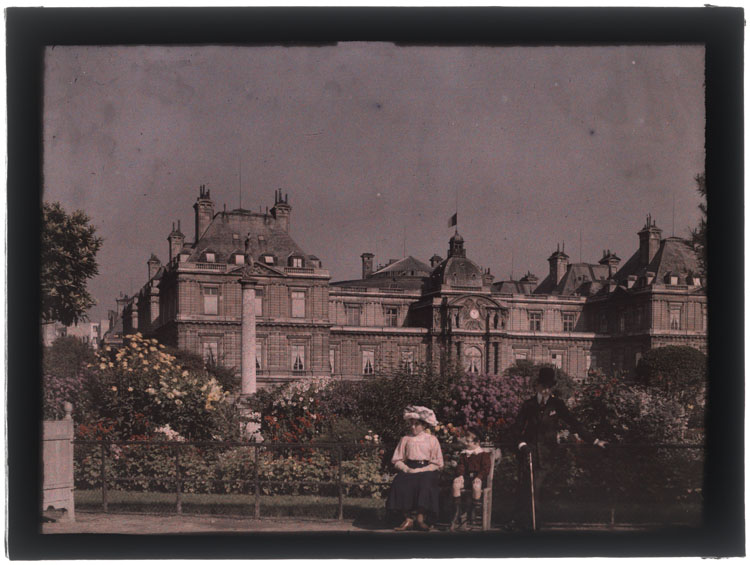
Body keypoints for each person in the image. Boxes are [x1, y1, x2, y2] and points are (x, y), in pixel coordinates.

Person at [512, 367, 606, 530]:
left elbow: (573, 423)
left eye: (550, 386)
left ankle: (531, 525)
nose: (547, 390)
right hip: (529, 454)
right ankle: (533, 527)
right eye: (544, 386)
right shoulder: (528, 405)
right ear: (537, 386)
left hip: (548, 456)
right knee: (531, 490)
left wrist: (594, 440)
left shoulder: (557, 404)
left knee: (541, 491)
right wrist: (521, 444)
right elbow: (516, 428)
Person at [386, 405, 444, 531]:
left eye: (416, 424)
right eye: (411, 424)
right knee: (399, 482)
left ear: (424, 425)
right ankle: (408, 519)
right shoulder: (406, 439)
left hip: (427, 468)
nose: (413, 427)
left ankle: (420, 518)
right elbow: (397, 459)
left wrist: (421, 470)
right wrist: (406, 469)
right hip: (409, 467)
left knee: (425, 483)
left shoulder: (432, 440)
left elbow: (437, 462)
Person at [449, 425, 493, 531]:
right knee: (455, 483)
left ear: (476, 442)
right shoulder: (464, 454)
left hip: (478, 479)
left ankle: (473, 511)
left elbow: (485, 468)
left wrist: (479, 477)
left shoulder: (483, 455)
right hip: (466, 478)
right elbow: (461, 466)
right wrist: (460, 475)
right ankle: (457, 512)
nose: (466, 443)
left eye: (468, 441)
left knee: (476, 486)